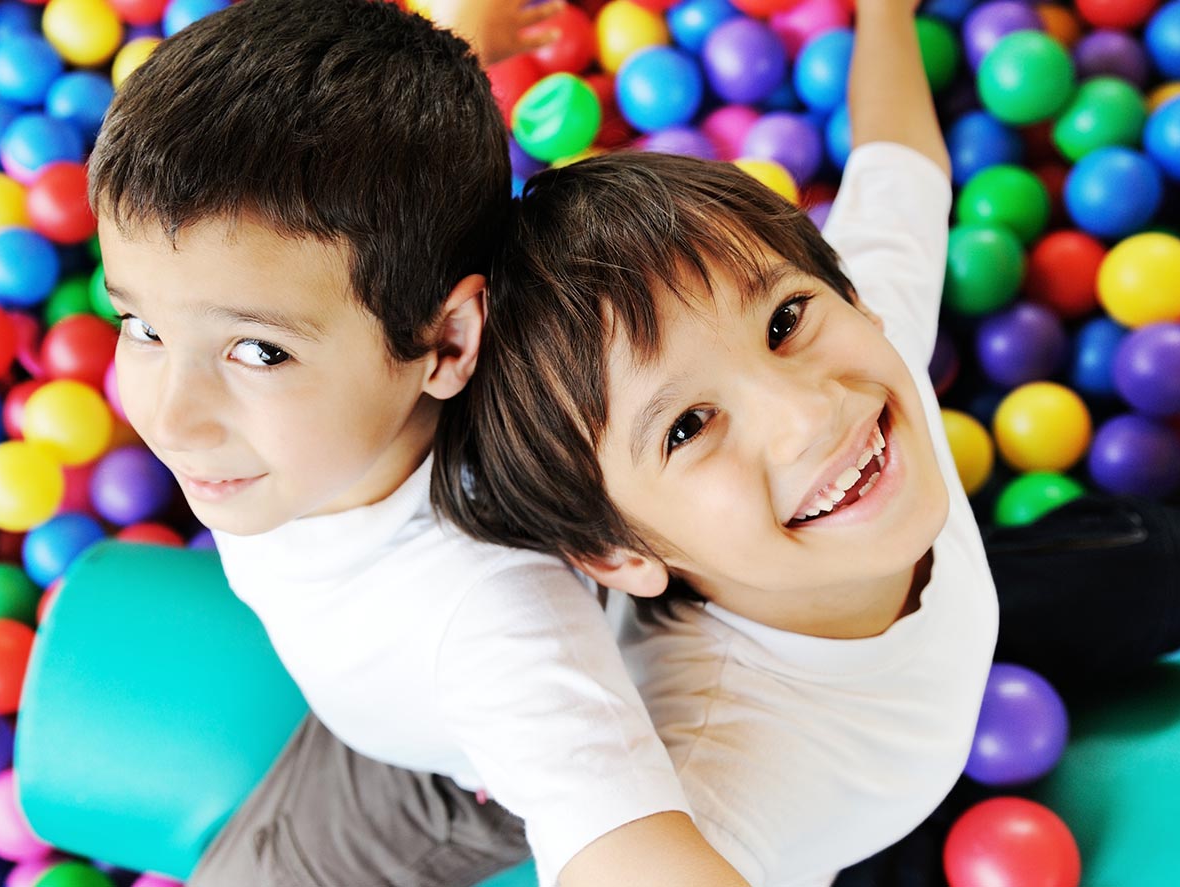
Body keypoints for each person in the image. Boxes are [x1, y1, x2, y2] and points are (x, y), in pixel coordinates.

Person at [430, 0, 1180, 883]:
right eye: (688, 426)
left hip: (920, 585)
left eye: (782, 321)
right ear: (619, 555)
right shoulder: (721, 783)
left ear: (852, 299)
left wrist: (884, 14)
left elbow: (901, 166)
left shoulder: (862, 355)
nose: (808, 412)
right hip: (855, 822)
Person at [86, 1, 748, 885]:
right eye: (141, 325)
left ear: (447, 344)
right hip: (367, 678)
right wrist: (464, 39)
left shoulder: (490, 612)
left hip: (446, 781)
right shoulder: (314, 400)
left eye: (260, 351)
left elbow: (616, 823)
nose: (170, 419)